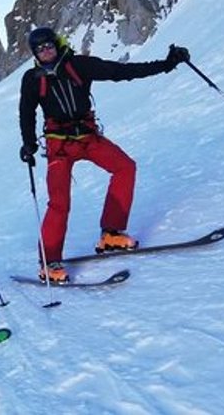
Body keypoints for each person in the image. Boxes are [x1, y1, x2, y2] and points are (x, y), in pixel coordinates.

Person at [18, 26, 190, 284]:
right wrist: (29, 144)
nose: (46, 51)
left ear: (57, 44)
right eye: (40, 49)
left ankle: (111, 233)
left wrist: (167, 64)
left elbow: (120, 72)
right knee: (59, 203)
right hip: (59, 146)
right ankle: (49, 262)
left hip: (88, 138)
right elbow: (26, 112)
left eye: (49, 45)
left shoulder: (78, 65)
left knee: (125, 167)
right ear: (34, 54)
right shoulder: (32, 78)